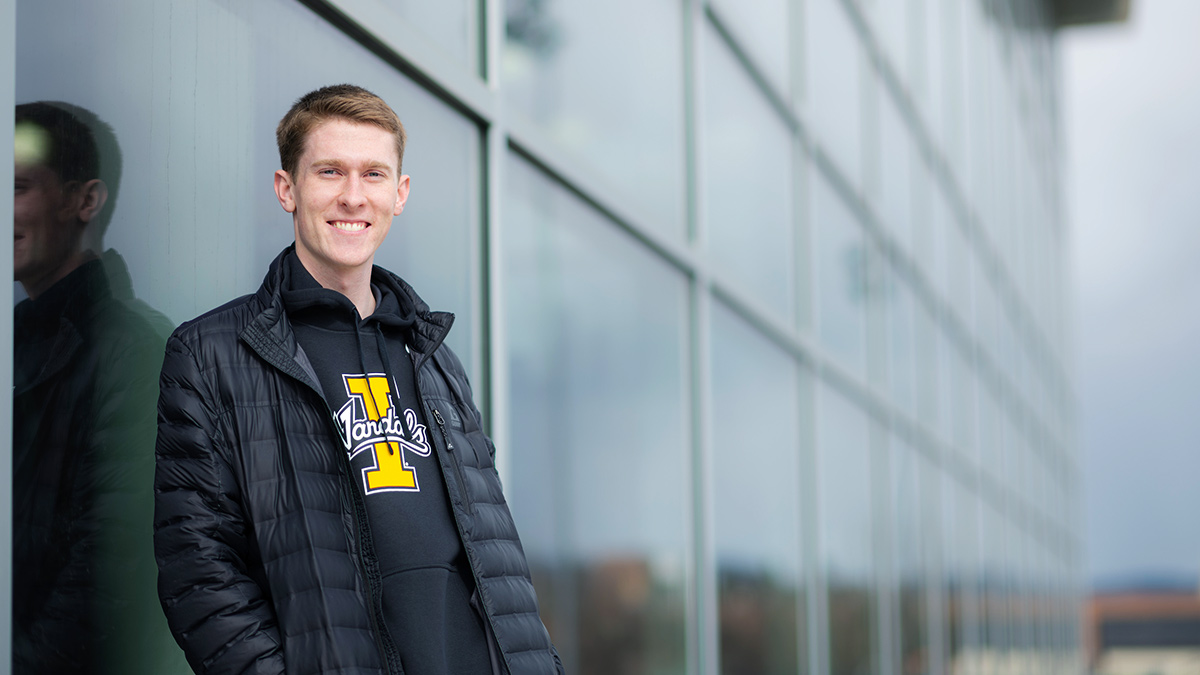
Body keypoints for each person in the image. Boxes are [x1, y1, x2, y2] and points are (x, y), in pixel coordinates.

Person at [153, 84, 562, 675]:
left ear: (400, 195)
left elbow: (495, 557)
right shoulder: (211, 353)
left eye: (373, 175)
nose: (353, 197)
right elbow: (200, 571)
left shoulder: (434, 355)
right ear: (286, 189)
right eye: (329, 171)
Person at [12, 101, 182, 673]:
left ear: (84, 201)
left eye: (17, 186)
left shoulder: (137, 350)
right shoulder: (15, 345)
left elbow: (109, 575)